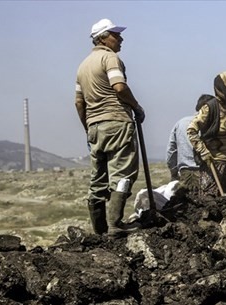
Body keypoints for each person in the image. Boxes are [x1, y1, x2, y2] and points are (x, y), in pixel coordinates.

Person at [74, 18, 144, 236]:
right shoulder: (110, 58)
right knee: (123, 174)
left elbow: (78, 102)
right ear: (103, 37)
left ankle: (99, 230)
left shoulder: (83, 66)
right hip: (117, 121)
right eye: (116, 34)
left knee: (98, 179)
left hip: (94, 126)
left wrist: (88, 126)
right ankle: (115, 224)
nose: (120, 38)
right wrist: (137, 107)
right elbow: (119, 87)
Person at [187, 72, 226, 198]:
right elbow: (191, 130)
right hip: (214, 166)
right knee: (211, 202)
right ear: (222, 88)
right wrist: (202, 151)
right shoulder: (210, 108)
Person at [166, 97, 211, 201]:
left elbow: (171, 151)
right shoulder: (211, 124)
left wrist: (173, 173)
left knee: (188, 204)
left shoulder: (181, 123)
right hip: (207, 173)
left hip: (186, 173)